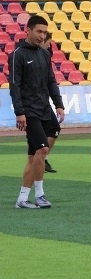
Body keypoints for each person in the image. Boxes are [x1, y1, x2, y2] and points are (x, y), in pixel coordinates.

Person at [10, 15, 65, 209]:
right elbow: (15, 86)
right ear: (29, 30)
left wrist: (58, 104)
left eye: (44, 32)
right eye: (39, 31)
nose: (42, 36)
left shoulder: (44, 53)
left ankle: (22, 199)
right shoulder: (18, 54)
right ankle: (40, 195)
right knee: (42, 150)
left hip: (44, 108)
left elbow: (51, 81)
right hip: (29, 110)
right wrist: (20, 112)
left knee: (35, 155)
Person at [41, 32, 59, 173]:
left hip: (43, 100)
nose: (49, 46)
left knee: (54, 129)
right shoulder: (24, 54)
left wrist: (59, 104)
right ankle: (40, 160)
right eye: (48, 43)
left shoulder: (46, 56)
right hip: (34, 102)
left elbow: (51, 81)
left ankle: (42, 159)